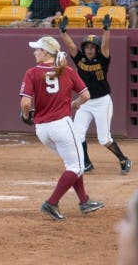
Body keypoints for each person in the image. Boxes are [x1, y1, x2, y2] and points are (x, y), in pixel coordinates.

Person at [19, 35, 104, 221]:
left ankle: (84, 201)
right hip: (61, 125)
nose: (35, 52)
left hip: (42, 129)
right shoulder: (67, 71)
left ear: (46, 52)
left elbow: (25, 103)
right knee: (77, 165)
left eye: (37, 49)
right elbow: (86, 95)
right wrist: (74, 104)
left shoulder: (32, 72)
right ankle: (52, 202)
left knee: (72, 164)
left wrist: (26, 116)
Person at [59, 15, 132, 175]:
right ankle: (86, 163)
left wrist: (106, 30)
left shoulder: (103, 59)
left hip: (102, 102)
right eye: (87, 47)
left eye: (92, 47)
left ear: (97, 49)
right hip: (85, 102)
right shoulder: (80, 60)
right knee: (77, 135)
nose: (89, 50)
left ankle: (123, 159)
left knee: (104, 139)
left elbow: (105, 45)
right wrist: (63, 32)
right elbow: (71, 46)